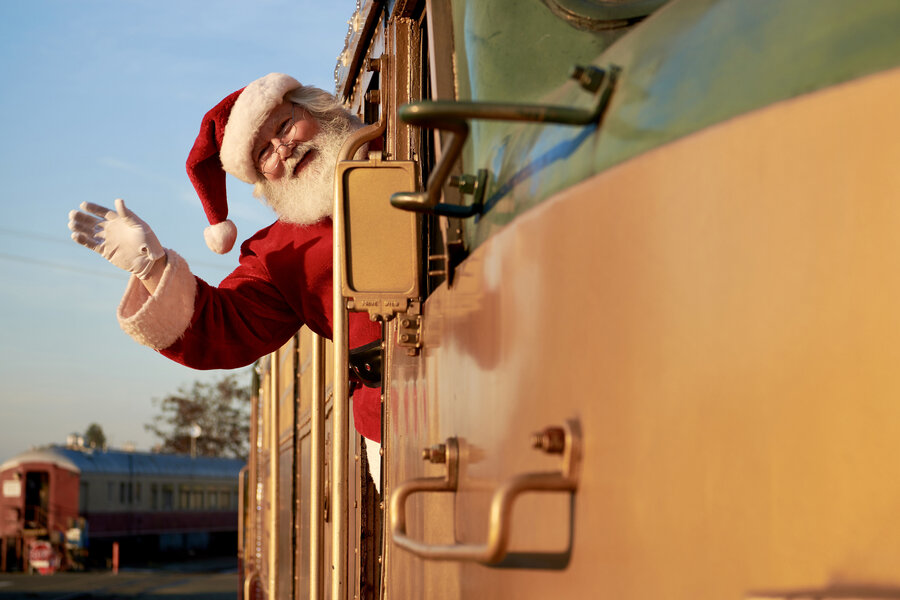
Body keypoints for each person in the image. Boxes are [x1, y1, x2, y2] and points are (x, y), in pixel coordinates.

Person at [67, 73, 382, 445]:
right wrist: (151, 265)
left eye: (285, 126)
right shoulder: (278, 253)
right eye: (264, 154)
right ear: (262, 180)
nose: (283, 150)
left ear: (317, 109)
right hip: (388, 415)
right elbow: (223, 327)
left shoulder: (412, 139)